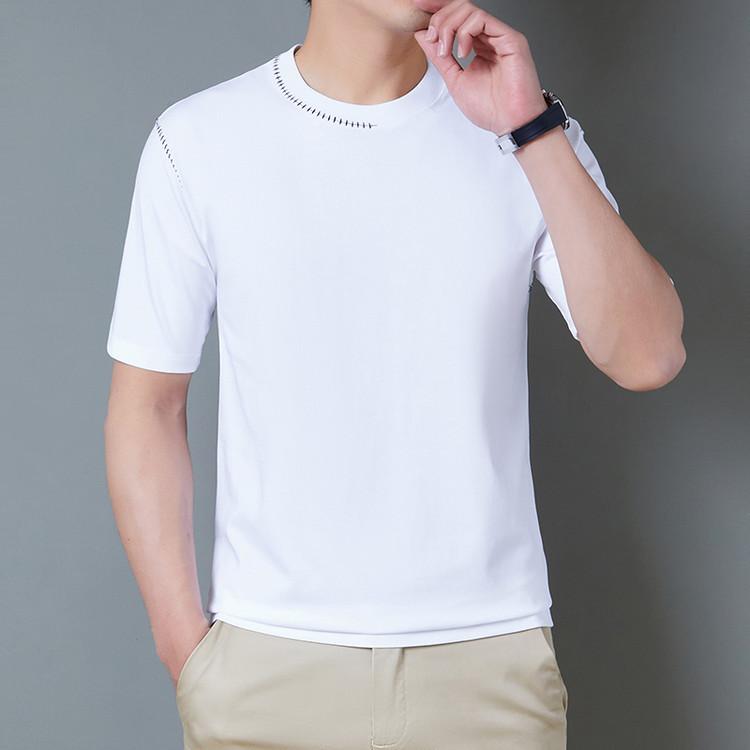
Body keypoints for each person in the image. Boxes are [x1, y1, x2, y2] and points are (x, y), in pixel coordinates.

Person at [103, 1, 686, 747]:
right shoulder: (198, 139)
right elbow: (147, 406)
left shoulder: (525, 130)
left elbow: (648, 355)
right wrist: (187, 654)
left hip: (489, 668)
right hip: (268, 667)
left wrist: (531, 130)